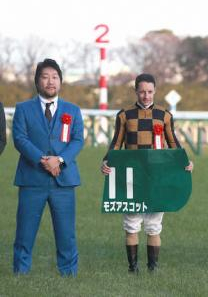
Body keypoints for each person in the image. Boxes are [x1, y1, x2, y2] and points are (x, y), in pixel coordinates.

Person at [101, 73, 193, 273]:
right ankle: (132, 268)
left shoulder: (165, 115)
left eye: (150, 92)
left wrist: (185, 162)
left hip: (157, 178)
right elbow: (116, 143)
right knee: (132, 224)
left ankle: (153, 267)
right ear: (135, 91)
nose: (146, 96)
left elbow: (173, 144)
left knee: (154, 224)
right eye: (142, 92)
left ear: (155, 91)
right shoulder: (124, 115)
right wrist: (106, 162)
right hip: (132, 177)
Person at [12, 58, 84, 276]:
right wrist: (44, 160)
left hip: (63, 181)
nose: (50, 81)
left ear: (61, 81)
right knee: (24, 231)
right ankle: (20, 272)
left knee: (66, 233)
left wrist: (59, 161)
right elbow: (19, 138)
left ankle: (68, 273)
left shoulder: (72, 110)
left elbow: (78, 140)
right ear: (37, 81)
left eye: (54, 77)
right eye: (45, 77)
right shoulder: (23, 109)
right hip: (32, 179)